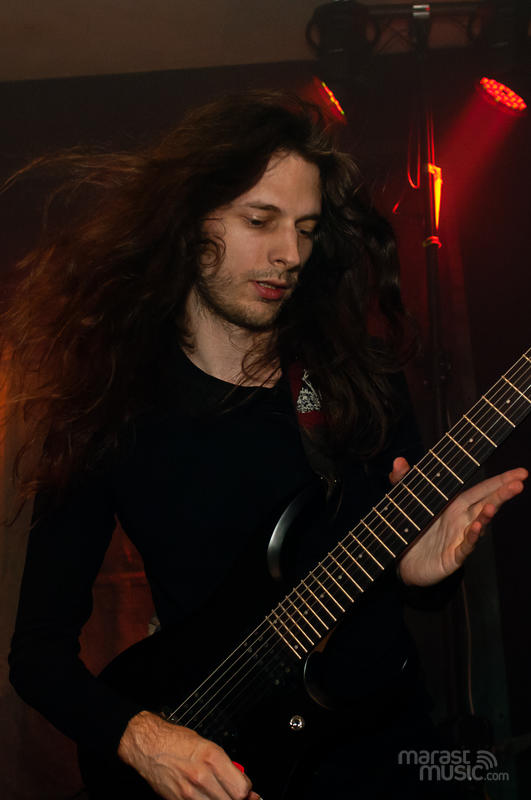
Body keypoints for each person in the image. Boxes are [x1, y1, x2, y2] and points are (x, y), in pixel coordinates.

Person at [2, 90, 526, 800]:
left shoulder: (358, 376)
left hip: (393, 752)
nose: (288, 254)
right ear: (190, 219)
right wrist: (145, 740)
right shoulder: (113, 409)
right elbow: (37, 655)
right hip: (225, 761)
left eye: (306, 229)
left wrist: (419, 574)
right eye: (260, 220)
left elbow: (412, 594)